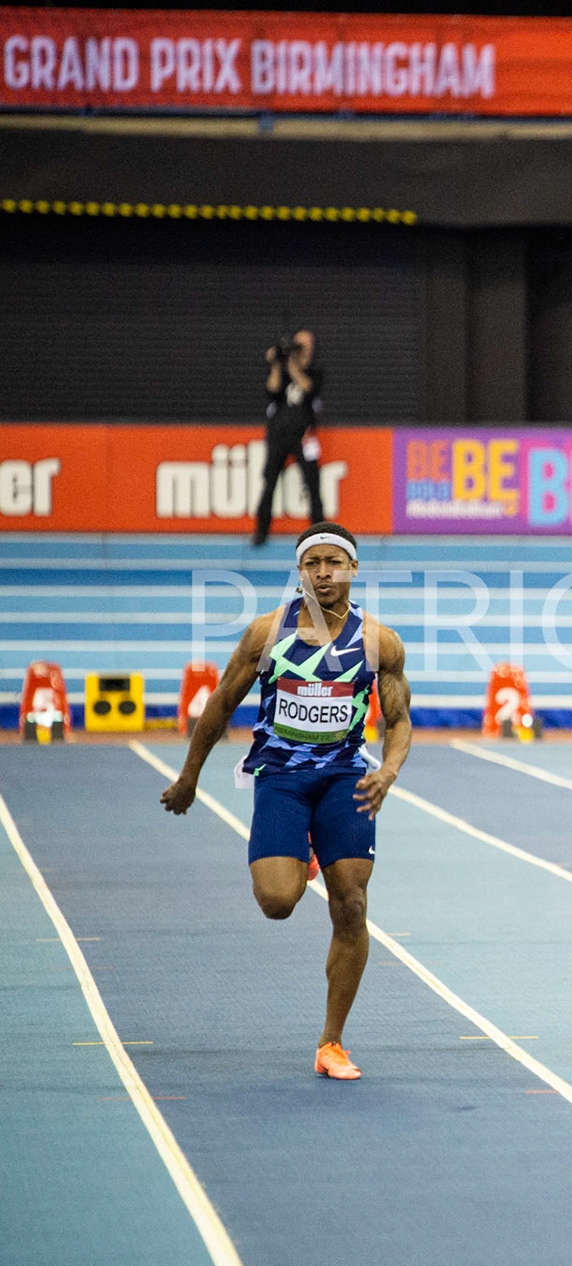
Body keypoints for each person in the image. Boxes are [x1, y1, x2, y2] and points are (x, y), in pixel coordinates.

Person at [160, 522, 412, 1080]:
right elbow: (221, 706)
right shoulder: (266, 634)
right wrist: (189, 778)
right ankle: (305, 856)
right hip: (280, 777)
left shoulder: (379, 642)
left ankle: (331, 1043)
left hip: (346, 777)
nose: (323, 573)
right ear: (299, 571)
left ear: (351, 569)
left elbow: (398, 720)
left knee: (351, 903)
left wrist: (389, 770)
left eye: (334, 563)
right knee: (278, 901)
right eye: (312, 563)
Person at [254, 330, 326, 547]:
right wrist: (277, 362)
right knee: (269, 483)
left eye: (306, 344)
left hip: (304, 437)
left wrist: (293, 365)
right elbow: (272, 389)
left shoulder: (315, 372)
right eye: (299, 344)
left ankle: (319, 533)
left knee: (313, 484)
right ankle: (261, 531)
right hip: (279, 435)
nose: (302, 348)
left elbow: (308, 387)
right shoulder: (283, 371)